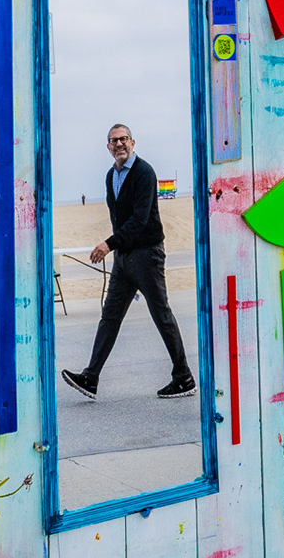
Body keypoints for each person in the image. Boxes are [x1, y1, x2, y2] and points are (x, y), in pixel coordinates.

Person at [61, 124, 196, 401]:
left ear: (133, 142)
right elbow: (119, 218)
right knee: (110, 316)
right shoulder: (111, 175)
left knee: (161, 314)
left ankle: (183, 377)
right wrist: (117, 249)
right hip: (124, 258)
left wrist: (108, 244)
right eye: (113, 140)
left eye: (123, 139)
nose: (119, 144)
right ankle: (91, 377)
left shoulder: (144, 173)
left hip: (147, 254)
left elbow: (140, 219)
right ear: (108, 147)